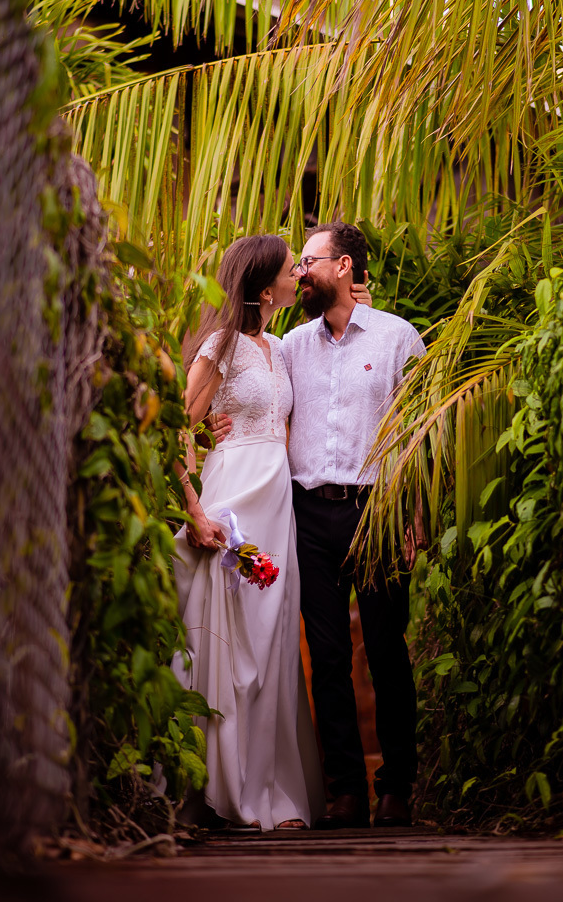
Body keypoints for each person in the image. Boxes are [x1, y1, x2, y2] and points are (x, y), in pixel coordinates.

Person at [173, 233, 370, 831]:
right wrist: (194, 513)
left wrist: (355, 295)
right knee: (232, 644)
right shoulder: (221, 343)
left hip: (278, 502)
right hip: (232, 498)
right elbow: (176, 428)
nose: (300, 276)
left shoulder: (280, 347)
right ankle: (218, 789)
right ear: (266, 288)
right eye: (293, 270)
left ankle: (270, 789)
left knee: (275, 646)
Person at [281, 222, 427, 830]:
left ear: (342, 266)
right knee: (328, 654)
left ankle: (396, 788)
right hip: (310, 513)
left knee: (387, 652)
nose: (299, 273)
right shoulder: (290, 345)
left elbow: (420, 433)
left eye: (308, 262)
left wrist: (416, 514)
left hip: (378, 511)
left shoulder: (399, 339)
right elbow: (263, 406)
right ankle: (345, 791)